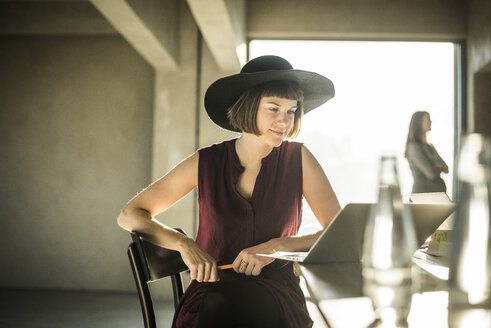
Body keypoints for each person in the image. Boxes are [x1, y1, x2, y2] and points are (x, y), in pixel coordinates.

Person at [117, 55, 341, 328]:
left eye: (291, 111)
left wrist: (277, 247)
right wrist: (183, 244)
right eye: (273, 108)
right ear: (248, 107)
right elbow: (130, 215)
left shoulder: (299, 158)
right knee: (223, 305)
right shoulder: (207, 161)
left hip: (277, 296)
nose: (284, 121)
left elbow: (339, 231)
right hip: (210, 297)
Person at [404, 110, 449, 193]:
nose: (430, 122)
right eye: (427, 120)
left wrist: (435, 166)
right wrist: (437, 165)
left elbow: (446, 168)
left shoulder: (430, 146)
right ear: (418, 123)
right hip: (422, 195)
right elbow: (431, 173)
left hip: (436, 195)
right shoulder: (414, 147)